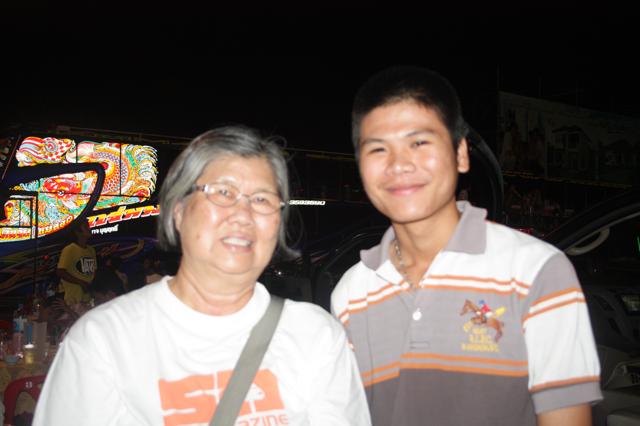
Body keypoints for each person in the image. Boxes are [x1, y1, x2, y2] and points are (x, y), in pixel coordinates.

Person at [34, 125, 371, 425]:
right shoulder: (104, 341)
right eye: (222, 193)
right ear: (178, 212)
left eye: (263, 199)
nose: (243, 214)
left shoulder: (317, 337)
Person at [330, 66, 601, 426]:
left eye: (419, 143)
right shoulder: (351, 293)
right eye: (378, 149)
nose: (398, 165)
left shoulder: (537, 272)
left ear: (460, 153)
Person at [56, 219, 96, 308]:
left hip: (89, 298)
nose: (89, 229)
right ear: (78, 232)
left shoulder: (91, 250)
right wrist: (81, 283)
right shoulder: (69, 249)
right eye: (86, 227)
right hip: (73, 300)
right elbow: (60, 272)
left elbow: (93, 272)